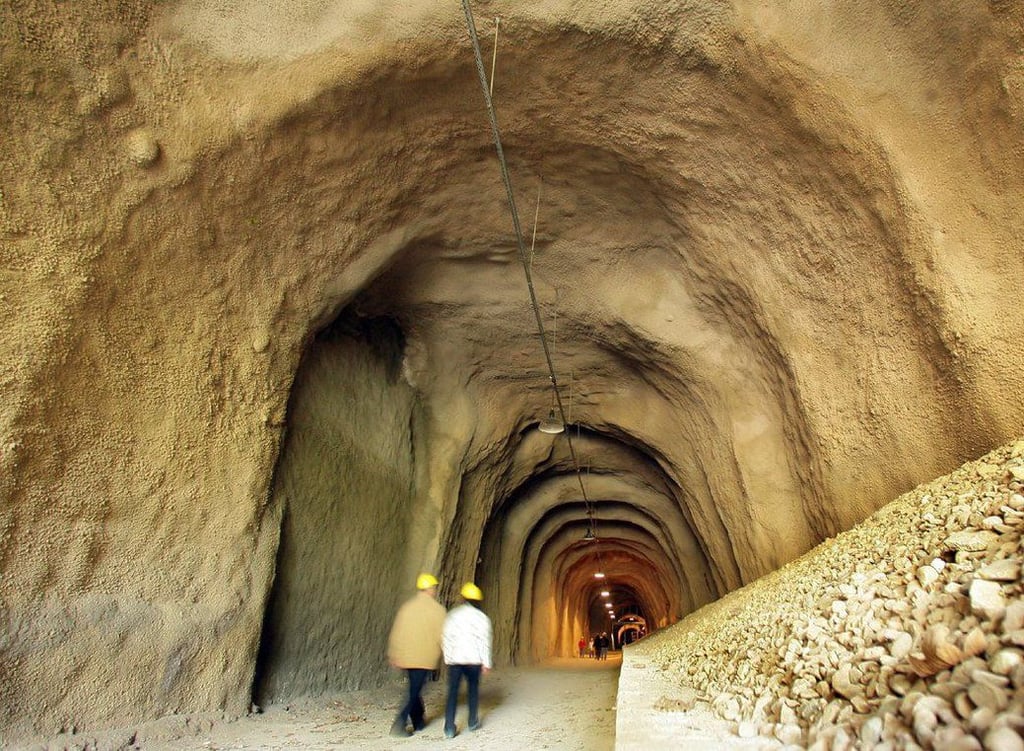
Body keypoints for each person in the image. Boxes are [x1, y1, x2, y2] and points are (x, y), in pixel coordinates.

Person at [387, 573, 447, 737]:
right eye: (434, 588)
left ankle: (419, 721)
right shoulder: (438, 611)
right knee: (413, 691)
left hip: (407, 657)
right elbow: (443, 636)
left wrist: (395, 653)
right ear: (430, 589)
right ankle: (399, 725)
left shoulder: (407, 608)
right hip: (424, 658)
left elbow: (397, 632)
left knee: (415, 688)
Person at [441, 582, 492, 738]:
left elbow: (446, 637)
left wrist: (448, 657)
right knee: (473, 691)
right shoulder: (482, 618)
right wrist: (486, 663)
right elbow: (485, 641)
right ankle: (472, 721)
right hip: (473, 661)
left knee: (452, 693)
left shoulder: (453, 615)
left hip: (456, 661)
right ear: (477, 600)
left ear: (463, 598)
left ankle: (449, 727)